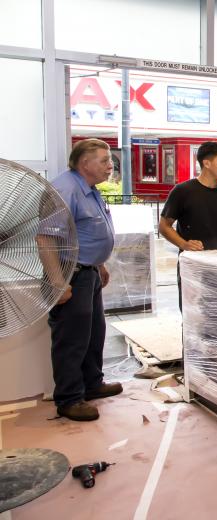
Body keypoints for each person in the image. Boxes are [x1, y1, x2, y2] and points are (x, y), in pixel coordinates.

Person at [43, 139, 121, 421]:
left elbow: (86, 232)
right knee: (72, 339)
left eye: (110, 160)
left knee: (94, 333)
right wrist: (58, 282)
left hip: (89, 272)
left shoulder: (89, 188)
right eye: (104, 160)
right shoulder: (65, 189)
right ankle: (69, 399)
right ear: (84, 163)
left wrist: (100, 264)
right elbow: (45, 238)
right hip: (71, 275)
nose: (110, 166)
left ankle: (92, 384)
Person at [159, 141, 217, 310]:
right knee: (192, 313)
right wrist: (184, 244)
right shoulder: (182, 191)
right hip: (192, 265)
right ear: (206, 163)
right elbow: (164, 226)